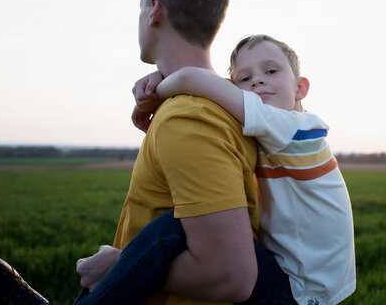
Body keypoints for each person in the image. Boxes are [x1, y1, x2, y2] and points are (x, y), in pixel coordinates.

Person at [0, 0, 261, 305]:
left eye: (141, 7)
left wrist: (121, 266)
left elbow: (230, 275)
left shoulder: (189, 120)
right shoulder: (226, 104)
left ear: (154, 10)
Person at [69, 34, 356, 304]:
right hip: (311, 283)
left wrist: (154, 95)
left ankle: (118, 272)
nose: (257, 81)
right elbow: (209, 85)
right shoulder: (274, 133)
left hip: (298, 292)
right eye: (244, 78)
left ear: (300, 88)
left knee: (172, 230)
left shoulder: (296, 130)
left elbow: (194, 79)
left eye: (271, 71)